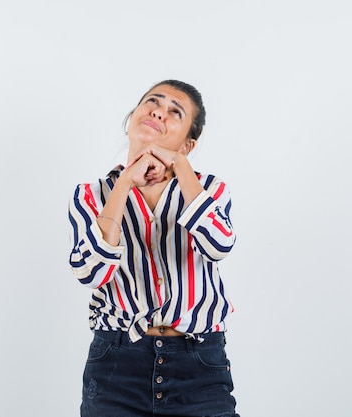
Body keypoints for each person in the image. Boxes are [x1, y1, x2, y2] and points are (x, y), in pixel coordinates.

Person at [68, 79, 240, 417]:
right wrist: (125, 183)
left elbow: (219, 243)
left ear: (188, 144)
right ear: (133, 116)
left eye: (174, 112)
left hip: (199, 363)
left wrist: (180, 168)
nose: (159, 112)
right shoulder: (90, 195)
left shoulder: (209, 190)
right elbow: (92, 272)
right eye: (152, 102)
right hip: (117, 363)